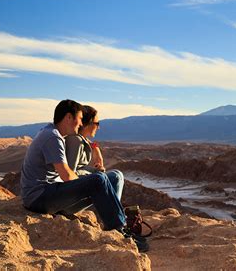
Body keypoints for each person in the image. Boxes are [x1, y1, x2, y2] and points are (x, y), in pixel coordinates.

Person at [20, 99, 148, 252]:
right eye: (80, 119)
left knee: (107, 178)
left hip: (46, 194)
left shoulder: (52, 133)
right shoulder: (52, 137)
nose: (81, 124)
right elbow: (67, 175)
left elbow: (66, 175)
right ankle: (119, 230)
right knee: (98, 179)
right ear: (68, 117)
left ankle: (115, 223)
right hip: (39, 198)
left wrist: (92, 181)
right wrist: (92, 181)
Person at [65, 105, 124, 200]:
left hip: (74, 193)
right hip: (69, 197)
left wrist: (94, 147)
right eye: (97, 123)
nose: (98, 128)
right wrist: (94, 172)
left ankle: (114, 212)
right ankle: (114, 213)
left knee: (116, 175)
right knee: (116, 176)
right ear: (88, 123)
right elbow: (70, 174)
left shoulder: (80, 140)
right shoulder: (75, 141)